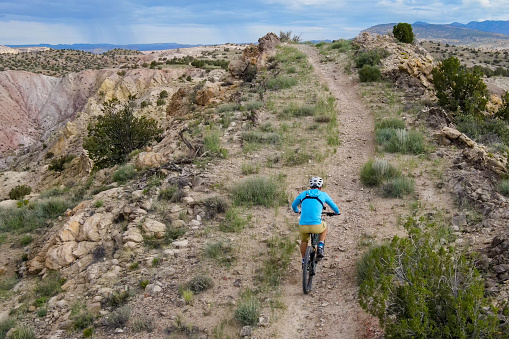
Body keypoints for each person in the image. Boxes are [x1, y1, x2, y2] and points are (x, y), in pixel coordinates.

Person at [291, 176, 340, 264]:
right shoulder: (323, 194)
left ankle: (303, 261)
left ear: (310, 186)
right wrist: (337, 212)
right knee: (324, 227)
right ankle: (320, 246)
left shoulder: (303, 194)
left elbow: (294, 205)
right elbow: (334, 206)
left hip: (303, 226)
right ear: (320, 187)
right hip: (316, 226)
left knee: (304, 241)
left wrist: (297, 211)